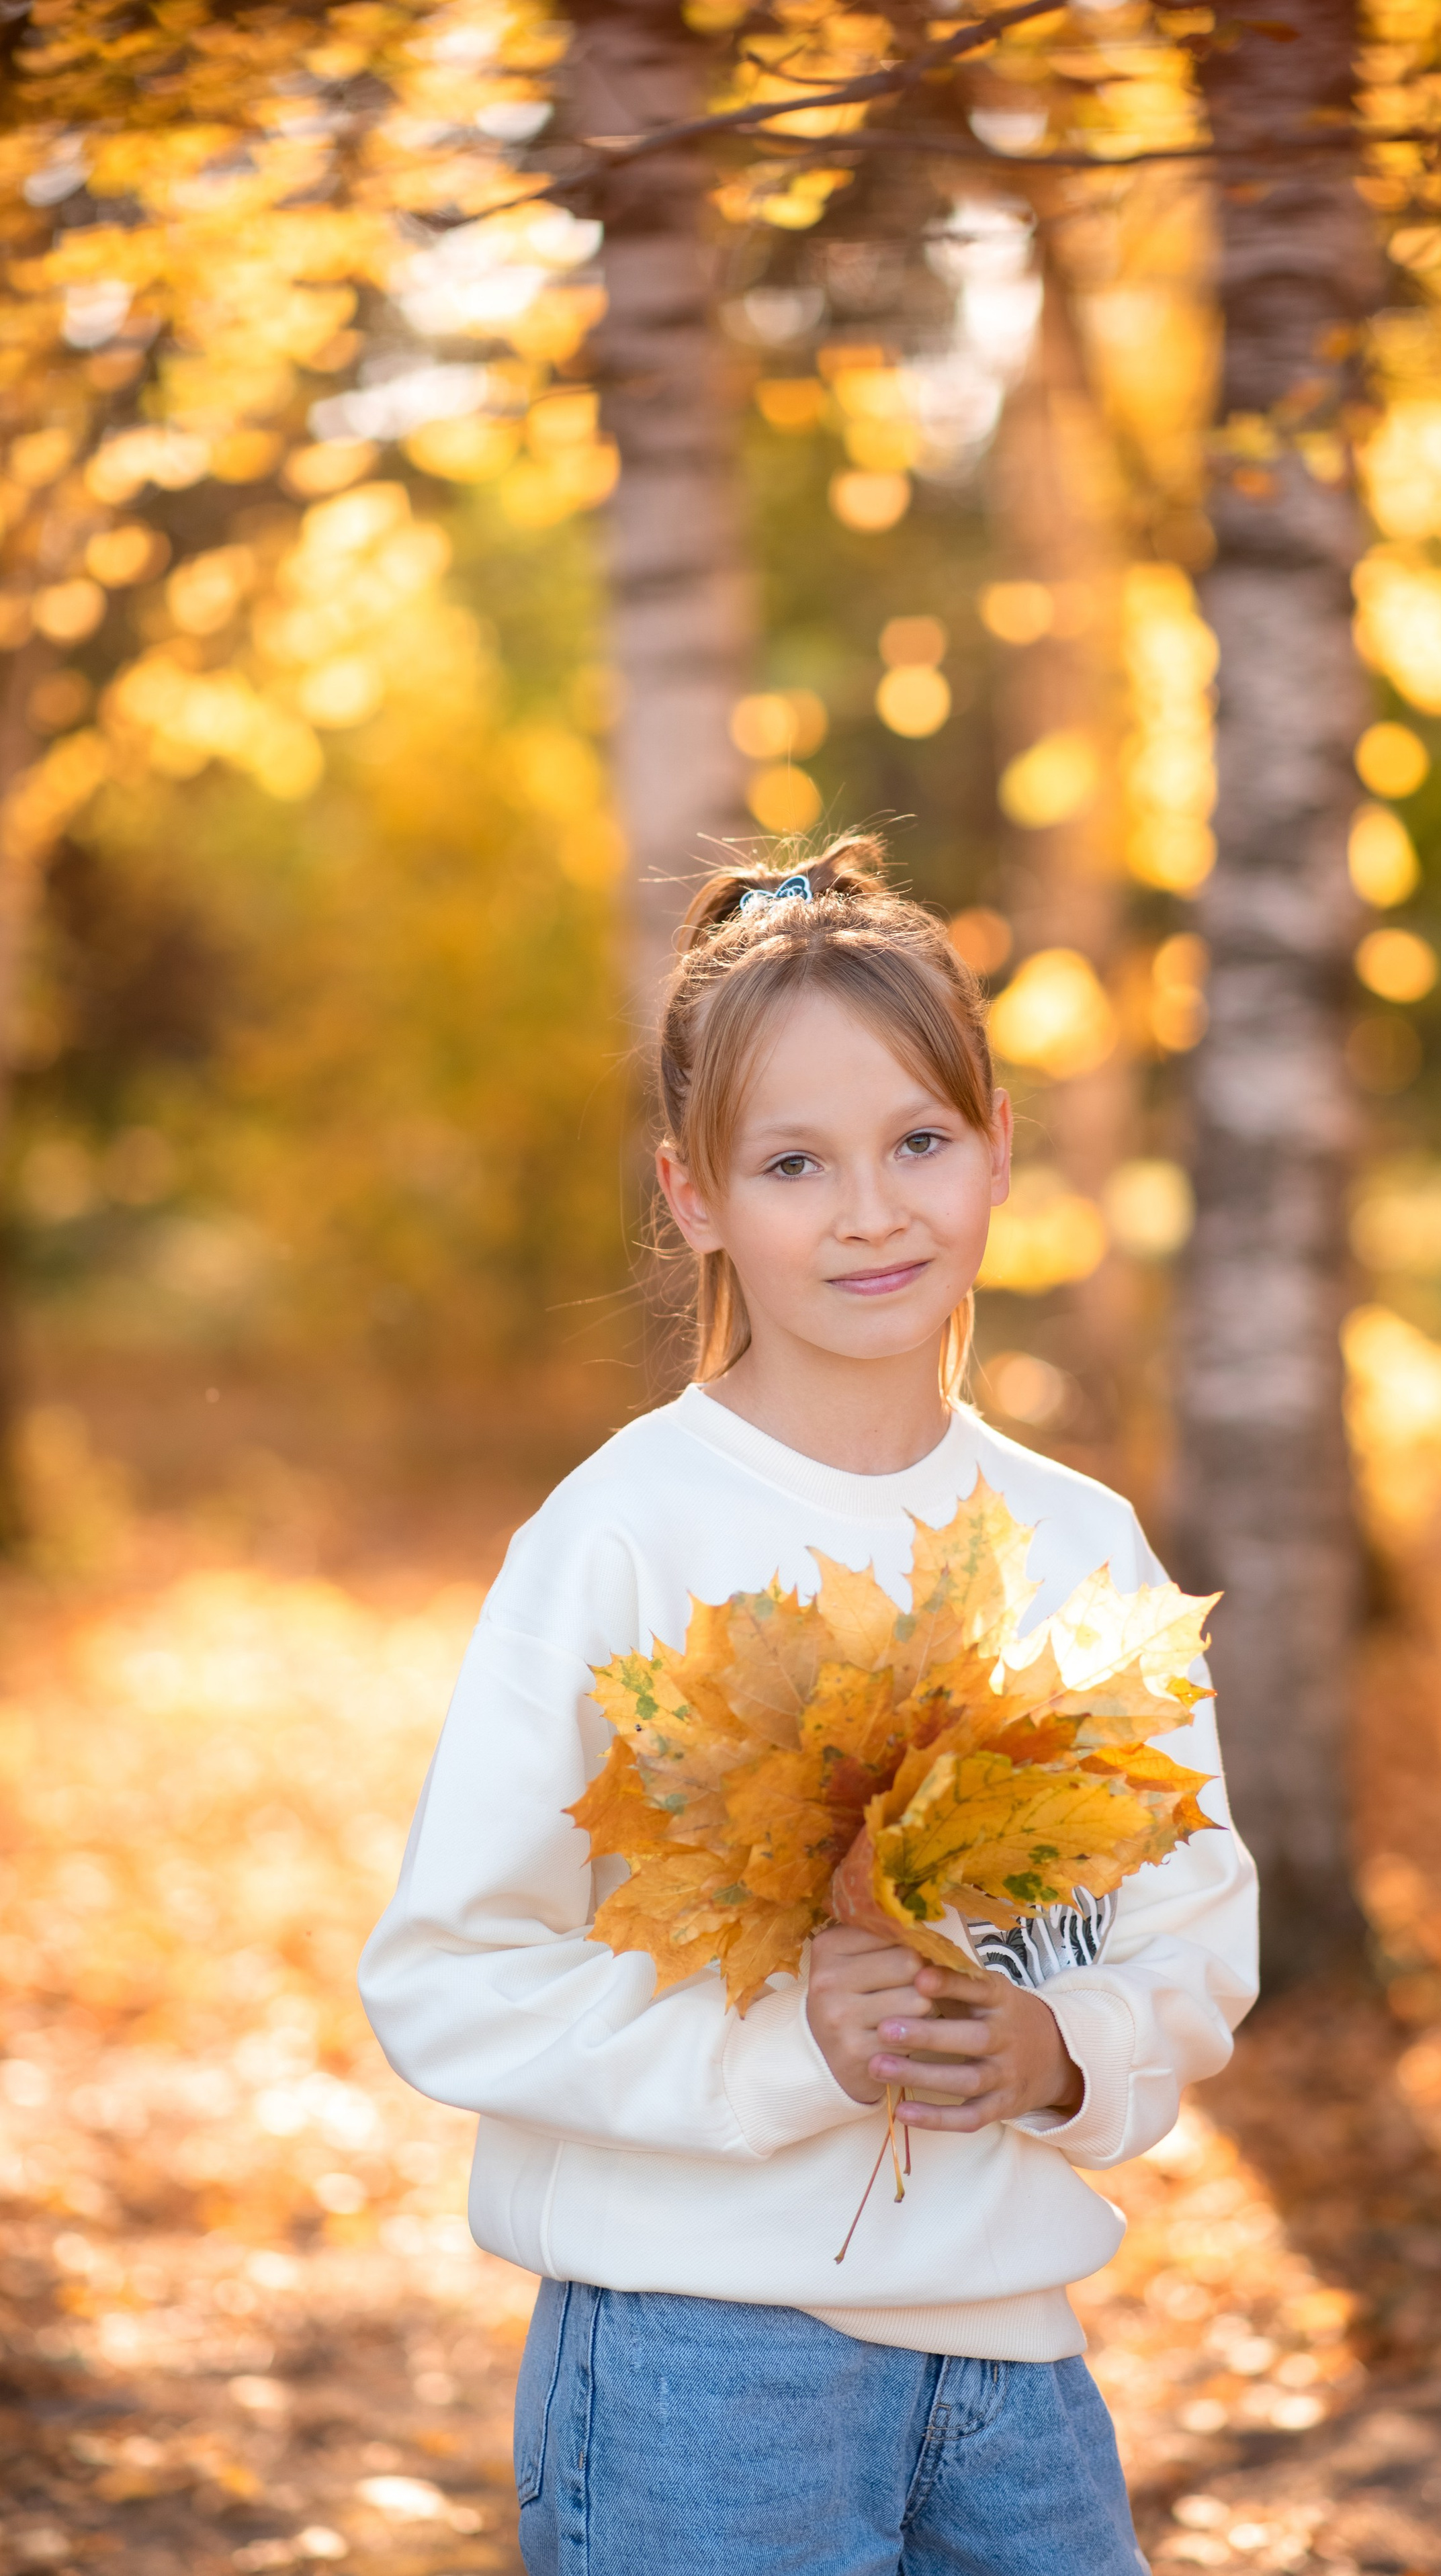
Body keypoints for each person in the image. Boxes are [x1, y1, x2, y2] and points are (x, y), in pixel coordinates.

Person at [359, 836, 1259, 2576]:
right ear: (693, 1196)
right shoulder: (627, 1532)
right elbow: (449, 1974)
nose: (870, 1209)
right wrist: (788, 2049)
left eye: (920, 1140)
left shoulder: (1081, 1543)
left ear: (999, 1150)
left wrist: (1065, 2049)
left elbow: (1194, 1916)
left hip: (1012, 2339)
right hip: (705, 2351)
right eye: (794, 1163)